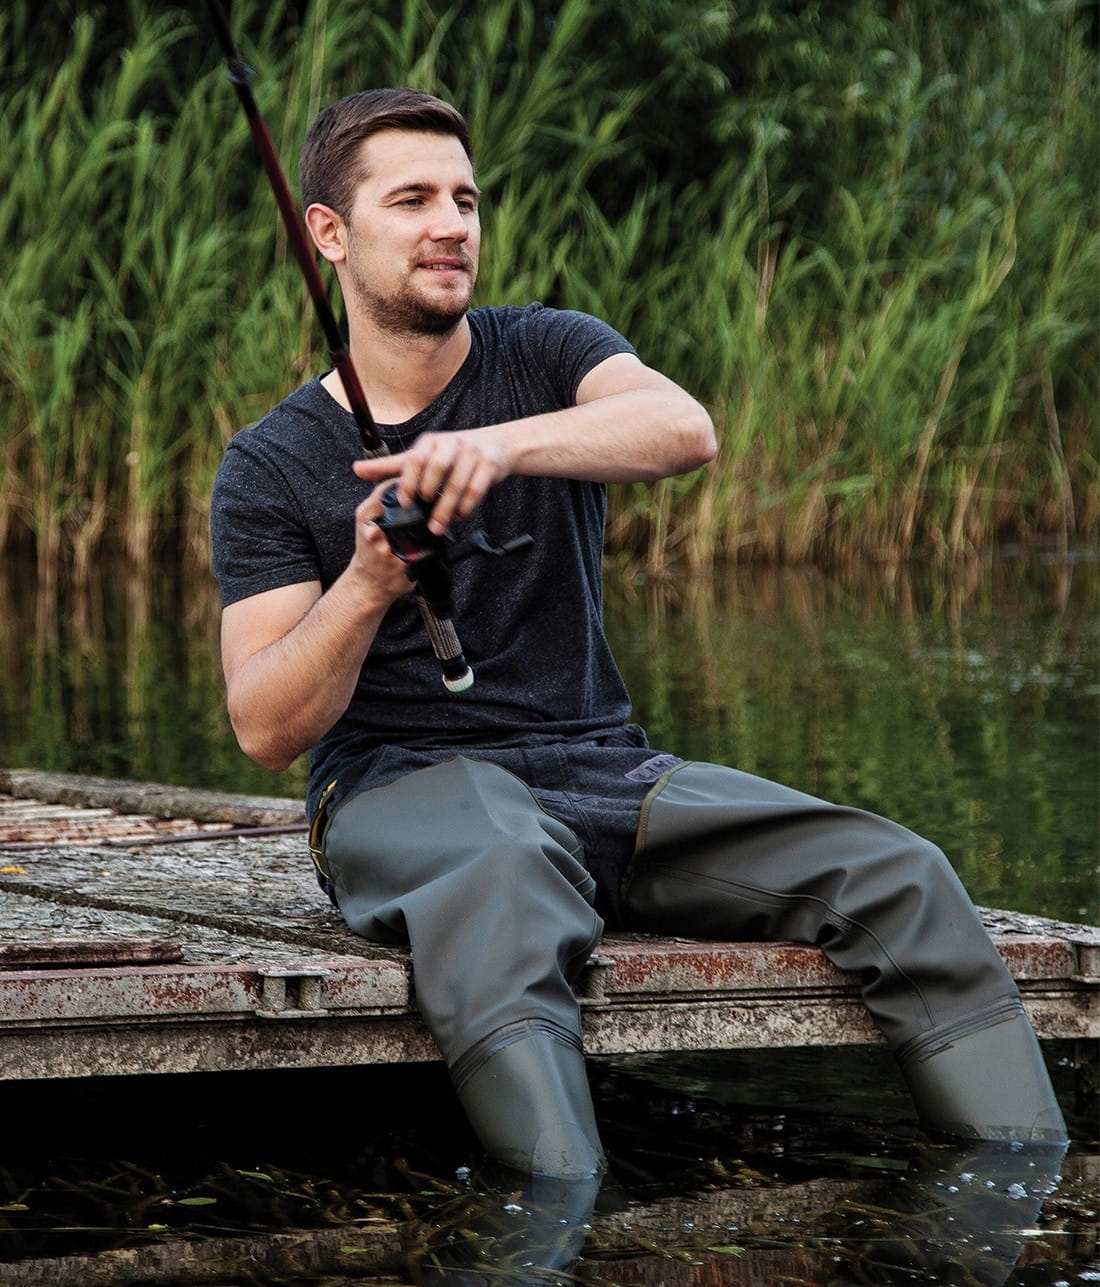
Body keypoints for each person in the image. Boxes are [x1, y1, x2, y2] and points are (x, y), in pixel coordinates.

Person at [211, 88, 1066, 1179]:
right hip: (395, 788)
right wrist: (370, 582)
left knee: (894, 867)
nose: (452, 224)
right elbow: (265, 727)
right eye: (413, 200)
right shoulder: (269, 462)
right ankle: (550, 1217)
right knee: (507, 864)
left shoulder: (546, 349)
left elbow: (681, 428)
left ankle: (1022, 1192)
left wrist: (496, 449)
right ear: (330, 234)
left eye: (466, 200)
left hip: (602, 772)